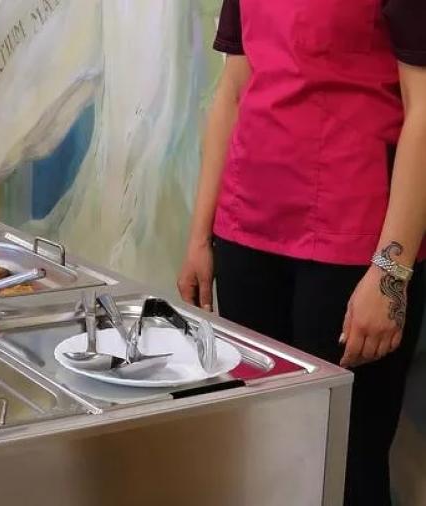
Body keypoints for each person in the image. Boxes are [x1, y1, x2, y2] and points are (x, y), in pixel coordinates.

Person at [177, 1, 426, 504]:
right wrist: (200, 237)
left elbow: (423, 107)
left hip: (353, 245)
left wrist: (390, 273)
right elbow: (233, 89)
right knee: (262, 450)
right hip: (247, 234)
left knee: (345, 461)